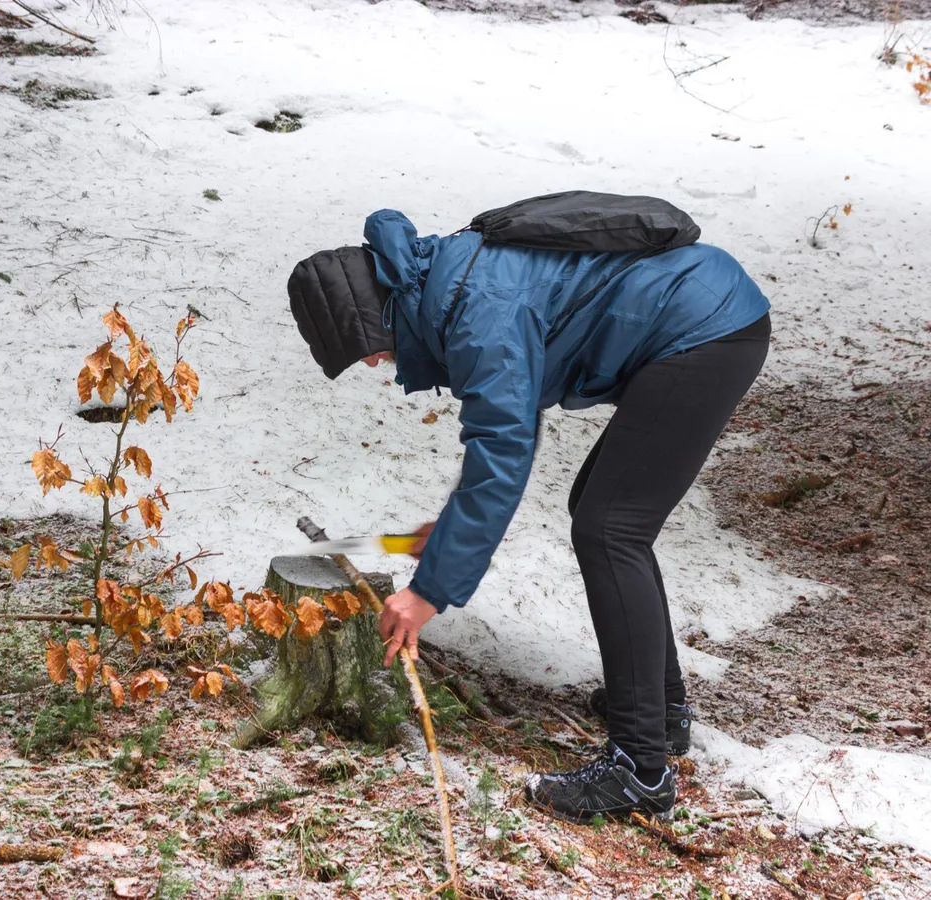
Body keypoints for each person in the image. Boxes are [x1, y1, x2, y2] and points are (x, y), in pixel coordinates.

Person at [286, 204, 771, 824]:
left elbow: (504, 449)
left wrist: (428, 590)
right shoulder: (446, 283)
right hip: (706, 313)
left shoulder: (474, 312)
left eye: (368, 351)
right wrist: (450, 532)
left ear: (378, 312)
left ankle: (642, 768)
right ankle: (661, 711)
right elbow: (501, 428)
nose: (378, 364)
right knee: (602, 517)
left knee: (610, 528)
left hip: (705, 330)